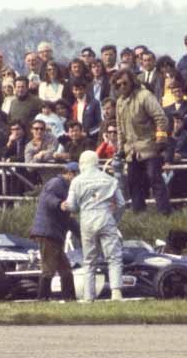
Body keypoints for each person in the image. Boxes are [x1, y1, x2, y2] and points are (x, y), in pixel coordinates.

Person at [62, 150, 126, 301]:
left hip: (87, 220)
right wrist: (114, 220)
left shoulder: (76, 181)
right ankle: (116, 292)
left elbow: (72, 206)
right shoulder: (109, 179)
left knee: (89, 260)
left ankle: (89, 296)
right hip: (106, 218)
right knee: (114, 257)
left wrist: (77, 207)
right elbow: (121, 204)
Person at [113, 69, 171, 214]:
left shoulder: (144, 96)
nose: (122, 87)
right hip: (131, 150)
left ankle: (164, 213)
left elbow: (160, 118)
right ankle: (139, 215)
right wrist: (120, 149)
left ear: (132, 81)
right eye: (118, 85)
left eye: (125, 83)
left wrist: (161, 139)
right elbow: (120, 128)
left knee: (154, 179)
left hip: (150, 146)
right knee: (133, 182)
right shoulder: (119, 102)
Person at [29, 162, 79, 301]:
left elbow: (69, 219)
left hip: (53, 234)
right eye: (77, 175)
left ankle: (69, 298)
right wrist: (59, 204)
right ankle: (43, 299)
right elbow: (47, 198)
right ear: (70, 173)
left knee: (65, 269)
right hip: (48, 232)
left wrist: (82, 234)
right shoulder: (56, 183)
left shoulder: (68, 188)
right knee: (49, 268)